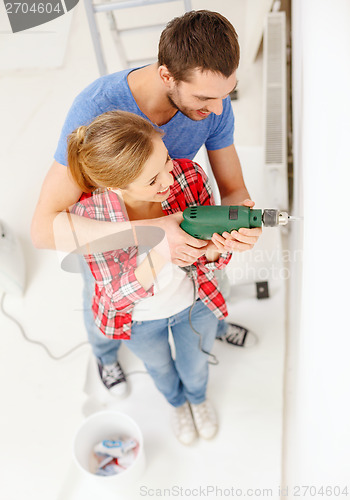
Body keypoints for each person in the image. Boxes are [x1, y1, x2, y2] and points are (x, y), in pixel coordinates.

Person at [31, 10, 262, 396]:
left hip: (175, 227)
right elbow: (43, 228)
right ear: (167, 75)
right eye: (206, 98)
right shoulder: (96, 108)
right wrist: (155, 235)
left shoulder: (214, 103)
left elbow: (233, 189)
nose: (219, 109)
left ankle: (213, 325)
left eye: (226, 94)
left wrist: (241, 226)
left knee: (202, 288)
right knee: (105, 305)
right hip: (109, 235)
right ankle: (105, 357)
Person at [67, 109, 235, 444]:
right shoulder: (91, 217)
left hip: (195, 303)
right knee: (160, 369)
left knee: (196, 365)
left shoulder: (189, 177)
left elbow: (214, 259)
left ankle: (198, 399)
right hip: (140, 322)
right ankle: (177, 404)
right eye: (152, 180)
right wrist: (162, 249)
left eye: (167, 161)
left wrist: (219, 247)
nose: (170, 180)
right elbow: (116, 295)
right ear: (115, 185)